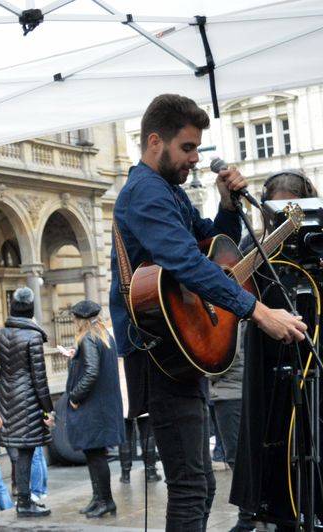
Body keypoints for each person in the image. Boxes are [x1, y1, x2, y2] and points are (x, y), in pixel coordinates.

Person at [110, 93, 307, 531]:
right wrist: (258, 312)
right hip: (161, 352)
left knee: (201, 486)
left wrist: (225, 205)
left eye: (198, 148)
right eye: (187, 148)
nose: (196, 159)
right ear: (155, 141)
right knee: (191, 486)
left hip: (181, 347)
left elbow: (214, 247)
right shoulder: (145, 192)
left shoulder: (169, 193)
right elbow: (186, 263)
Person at [230, 170, 319, 532]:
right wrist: (273, 236)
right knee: (269, 432)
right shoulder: (257, 244)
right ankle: (261, 508)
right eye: (276, 210)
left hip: (310, 347)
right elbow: (233, 279)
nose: (283, 217)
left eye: (290, 209)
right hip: (268, 356)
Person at [0, 286, 53, 517]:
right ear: (31, 309)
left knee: (17, 453)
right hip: (29, 402)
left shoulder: (0, 334)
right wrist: (48, 409)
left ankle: (23, 499)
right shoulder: (33, 336)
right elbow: (39, 379)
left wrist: (4, 374)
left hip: (8, 400)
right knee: (26, 453)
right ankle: (24, 502)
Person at [65, 300, 125, 519]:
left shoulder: (89, 338)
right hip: (103, 406)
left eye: (74, 318)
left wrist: (74, 396)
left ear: (81, 319)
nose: (72, 321)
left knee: (96, 456)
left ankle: (106, 500)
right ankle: (98, 498)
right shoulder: (103, 336)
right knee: (94, 454)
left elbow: (91, 372)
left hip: (93, 407)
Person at [119, 415, 160, 484]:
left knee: (125, 435)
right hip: (143, 406)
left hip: (124, 406)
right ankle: (151, 473)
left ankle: (125, 475)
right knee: (147, 433)